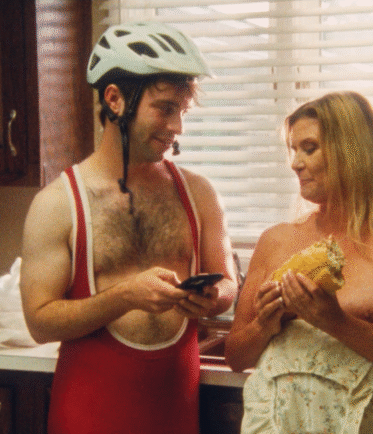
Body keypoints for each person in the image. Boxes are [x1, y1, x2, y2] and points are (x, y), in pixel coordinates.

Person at [20, 22, 238, 434]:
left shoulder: (199, 193)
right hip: (86, 418)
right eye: (165, 108)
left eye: (182, 112)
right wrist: (125, 296)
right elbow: (40, 323)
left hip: (176, 416)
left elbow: (229, 284)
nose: (177, 128)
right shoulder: (58, 204)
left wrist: (213, 296)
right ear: (115, 99)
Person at [225, 91, 373, 433]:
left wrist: (337, 322)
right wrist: (265, 325)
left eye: (309, 148)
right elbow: (236, 357)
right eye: (293, 149)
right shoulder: (276, 240)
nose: (295, 163)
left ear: (352, 151)